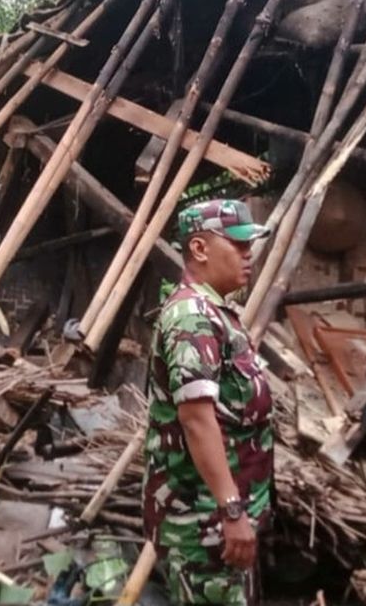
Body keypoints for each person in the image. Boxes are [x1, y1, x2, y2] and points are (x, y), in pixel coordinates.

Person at [143, 199, 274, 606]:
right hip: (203, 522)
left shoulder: (217, 313)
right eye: (237, 244)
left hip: (220, 520)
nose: (248, 254)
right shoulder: (191, 317)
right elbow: (197, 420)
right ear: (199, 249)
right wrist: (231, 512)